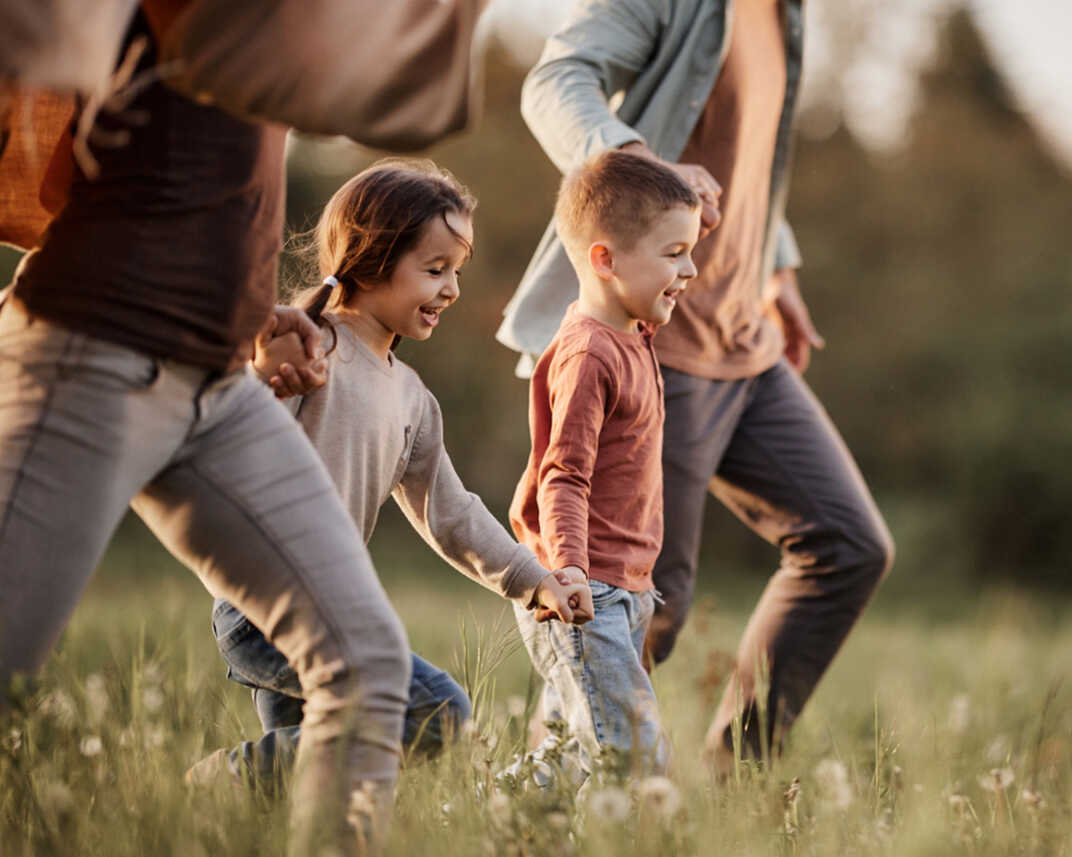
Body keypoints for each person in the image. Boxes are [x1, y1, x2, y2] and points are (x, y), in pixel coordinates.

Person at [1, 12, 418, 854]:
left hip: (217, 383)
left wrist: (252, 312)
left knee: (368, 667)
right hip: (93, 355)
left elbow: (191, 179)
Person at [496, 0, 895, 770]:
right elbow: (554, 79)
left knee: (847, 545)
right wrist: (641, 163)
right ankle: (548, 808)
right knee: (641, 607)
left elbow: (749, 158)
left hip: (747, 338)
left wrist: (775, 268)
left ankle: (732, 779)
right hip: (653, 350)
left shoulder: (786, 15)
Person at [191, 160, 594, 790]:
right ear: (372, 259)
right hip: (264, 603)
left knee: (310, 790)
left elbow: (451, 513)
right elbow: (234, 439)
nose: (452, 289)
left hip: (327, 603)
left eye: (455, 271)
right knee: (436, 713)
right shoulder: (309, 347)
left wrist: (533, 581)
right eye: (435, 270)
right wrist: (263, 372)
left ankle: (236, 799)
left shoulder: (411, 399)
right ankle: (222, 782)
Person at [508, 151, 700, 783]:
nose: (690, 269)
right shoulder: (590, 353)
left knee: (569, 754)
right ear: (605, 260)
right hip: (588, 592)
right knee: (636, 762)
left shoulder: (634, 333)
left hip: (627, 590)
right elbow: (563, 474)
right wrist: (569, 571)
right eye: (674, 254)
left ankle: (490, 826)